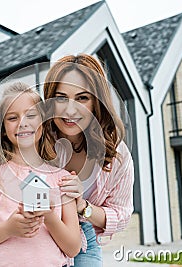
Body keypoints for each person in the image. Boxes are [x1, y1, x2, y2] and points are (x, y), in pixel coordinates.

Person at [0, 82, 81, 267]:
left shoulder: (62, 179)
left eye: (31, 115)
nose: (23, 122)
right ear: (4, 130)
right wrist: (8, 229)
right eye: (12, 118)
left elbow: (73, 248)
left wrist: (48, 215)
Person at [43, 54, 134, 266]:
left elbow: (121, 215)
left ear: (97, 102)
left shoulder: (117, 155)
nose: (70, 109)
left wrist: (83, 207)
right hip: (39, 229)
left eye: (82, 98)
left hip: (84, 237)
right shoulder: (36, 139)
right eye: (61, 98)